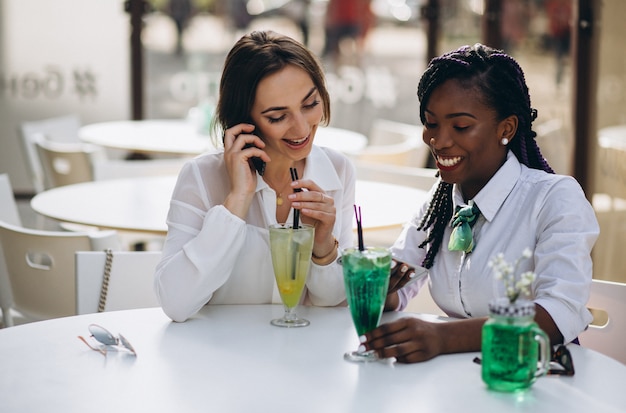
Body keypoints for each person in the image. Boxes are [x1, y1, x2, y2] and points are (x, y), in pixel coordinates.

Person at [359, 43, 599, 363]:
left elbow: (558, 314)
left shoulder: (554, 200)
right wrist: (385, 291)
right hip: (460, 385)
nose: (439, 141)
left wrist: (443, 338)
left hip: (531, 382)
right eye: (431, 123)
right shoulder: (442, 201)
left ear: (507, 128)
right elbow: (398, 286)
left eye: (461, 126)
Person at [154, 30, 355, 322]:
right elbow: (175, 303)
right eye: (277, 116)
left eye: (310, 104)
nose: (301, 128)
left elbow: (331, 303)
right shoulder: (201, 177)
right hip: (218, 360)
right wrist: (237, 200)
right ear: (245, 121)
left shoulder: (338, 170)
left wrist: (323, 247)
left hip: (302, 359)